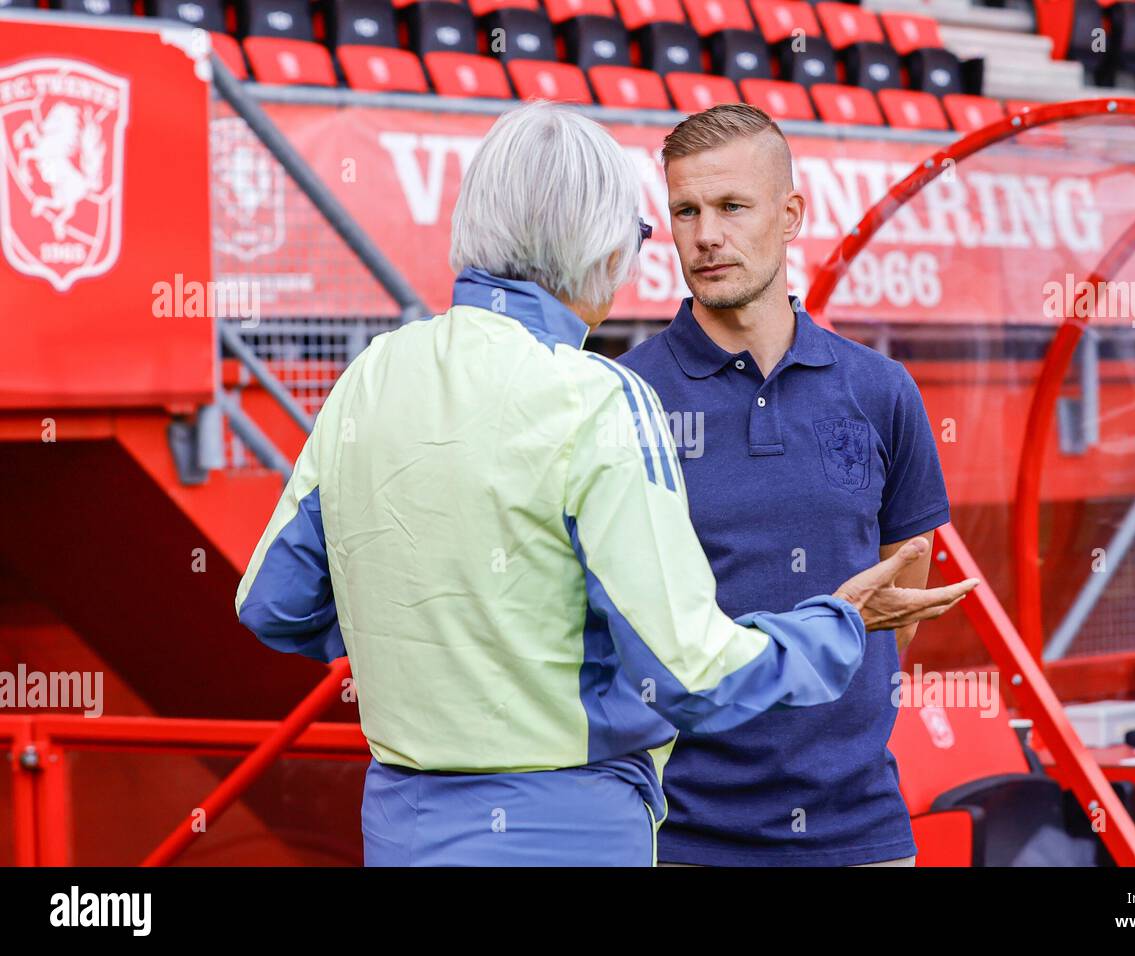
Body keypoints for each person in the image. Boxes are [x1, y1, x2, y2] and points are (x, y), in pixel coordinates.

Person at [233, 102, 976, 867]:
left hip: (400, 822)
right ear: (599, 243)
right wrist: (838, 626)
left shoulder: (371, 374)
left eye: (727, 207)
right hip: (582, 826)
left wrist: (430, 638)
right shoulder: (600, 395)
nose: (694, 238)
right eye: (664, 221)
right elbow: (689, 674)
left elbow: (273, 605)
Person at [620, 104, 969, 866]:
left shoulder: (882, 390)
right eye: (685, 210)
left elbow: (896, 603)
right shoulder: (622, 396)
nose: (706, 234)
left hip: (860, 831)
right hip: (680, 838)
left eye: (732, 207)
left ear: (790, 215)